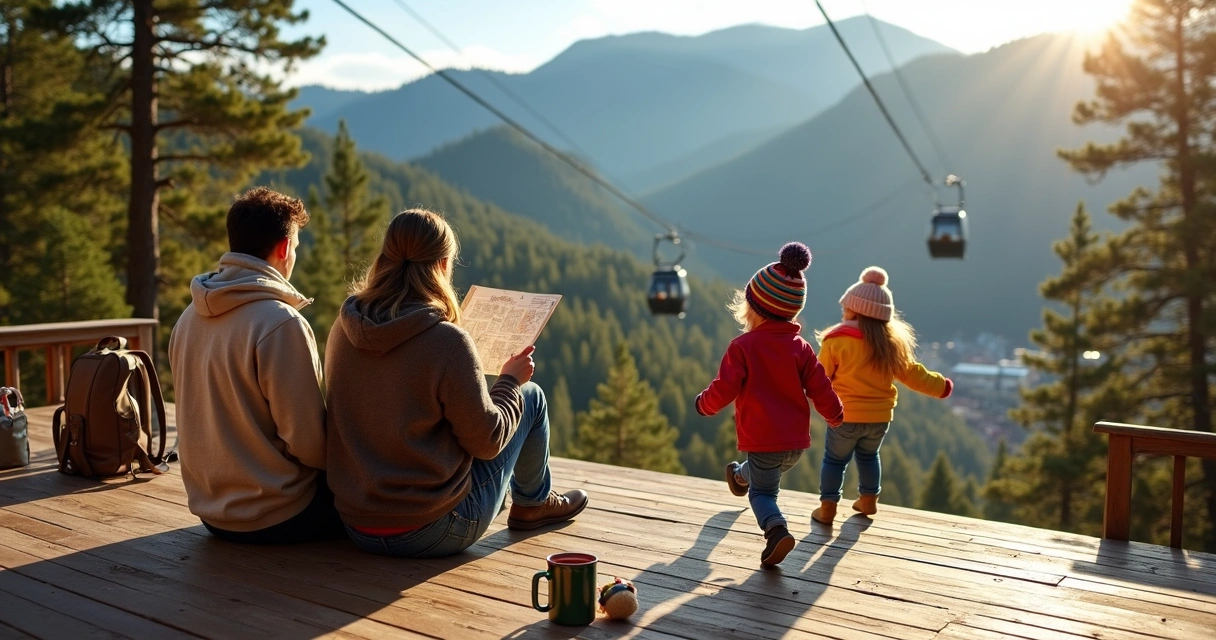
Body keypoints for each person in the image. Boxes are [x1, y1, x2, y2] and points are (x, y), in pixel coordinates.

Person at [325, 208, 588, 558]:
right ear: (444, 265)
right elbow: (487, 442)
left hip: (357, 523)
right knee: (532, 396)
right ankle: (532, 504)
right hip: (432, 528)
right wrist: (509, 380)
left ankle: (530, 502)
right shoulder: (447, 341)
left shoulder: (343, 328)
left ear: (385, 258)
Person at [169, 187, 342, 543]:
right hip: (280, 513)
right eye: (294, 247)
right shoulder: (279, 323)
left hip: (212, 514)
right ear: (283, 249)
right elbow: (309, 443)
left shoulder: (188, 317)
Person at [695, 242, 844, 567]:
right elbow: (820, 384)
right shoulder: (801, 348)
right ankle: (739, 475)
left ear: (754, 308)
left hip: (763, 439)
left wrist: (704, 405)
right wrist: (834, 414)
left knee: (763, 495)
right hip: (795, 444)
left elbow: (725, 387)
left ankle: (776, 531)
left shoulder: (743, 347)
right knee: (764, 472)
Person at [811, 267, 953, 526]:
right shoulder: (890, 346)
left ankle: (828, 508)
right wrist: (941, 386)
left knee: (834, 461)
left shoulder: (836, 342)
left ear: (855, 311)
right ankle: (868, 501)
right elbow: (913, 374)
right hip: (879, 419)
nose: (843, 311)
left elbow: (819, 379)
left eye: (846, 307)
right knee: (868, 457)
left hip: (844, 416)